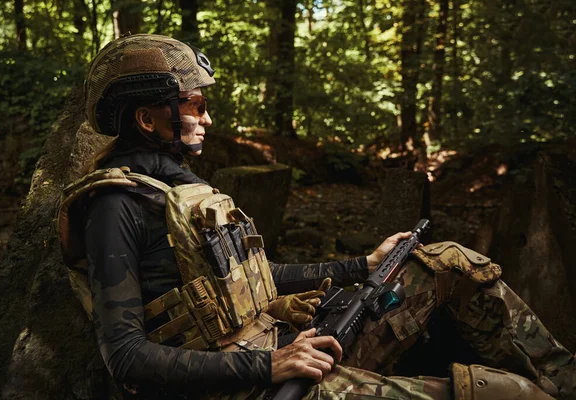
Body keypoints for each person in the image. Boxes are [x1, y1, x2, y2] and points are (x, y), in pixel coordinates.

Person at [62, 33, 576, 399]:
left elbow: (257, 282)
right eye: (194, 104)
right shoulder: (115, 206)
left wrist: (363, 265)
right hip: (251, 383)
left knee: (448, 262)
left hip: (284, 345)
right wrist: (267, 365)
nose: (207, 117)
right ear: (146, 118)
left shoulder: (180, 188)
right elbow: (126, 358)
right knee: (504, 394)